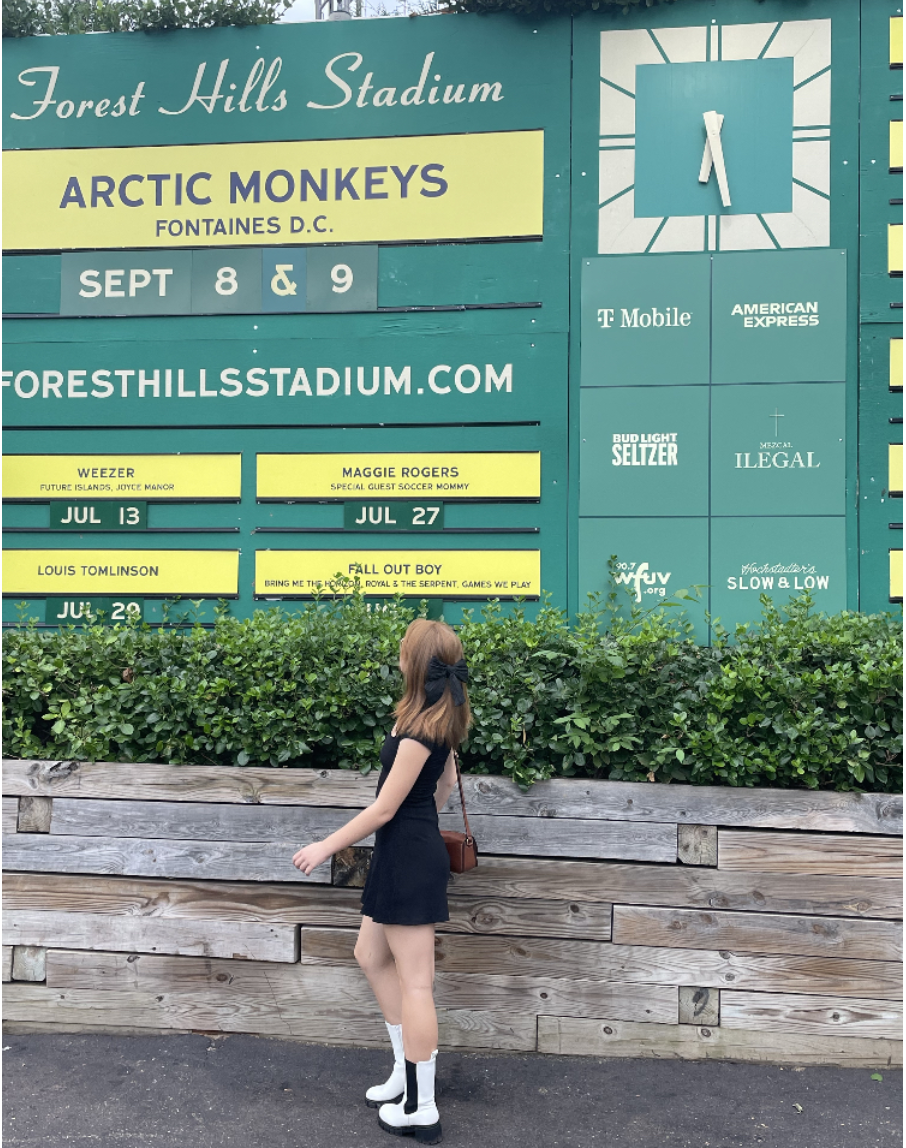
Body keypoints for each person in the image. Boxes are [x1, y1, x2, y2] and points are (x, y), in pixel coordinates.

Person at [292, 617, 471, 1145]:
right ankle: (404, 1071)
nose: (397, 655)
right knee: (369, 955)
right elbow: (447, 783)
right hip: (402, 853)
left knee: (418, 984)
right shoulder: (433, 716)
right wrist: (421, 817)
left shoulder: (421, 729)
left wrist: (326, 846)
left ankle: (422, 1107)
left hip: (408, 855)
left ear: (414, 662)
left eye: (402, 650)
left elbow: (385, 807)